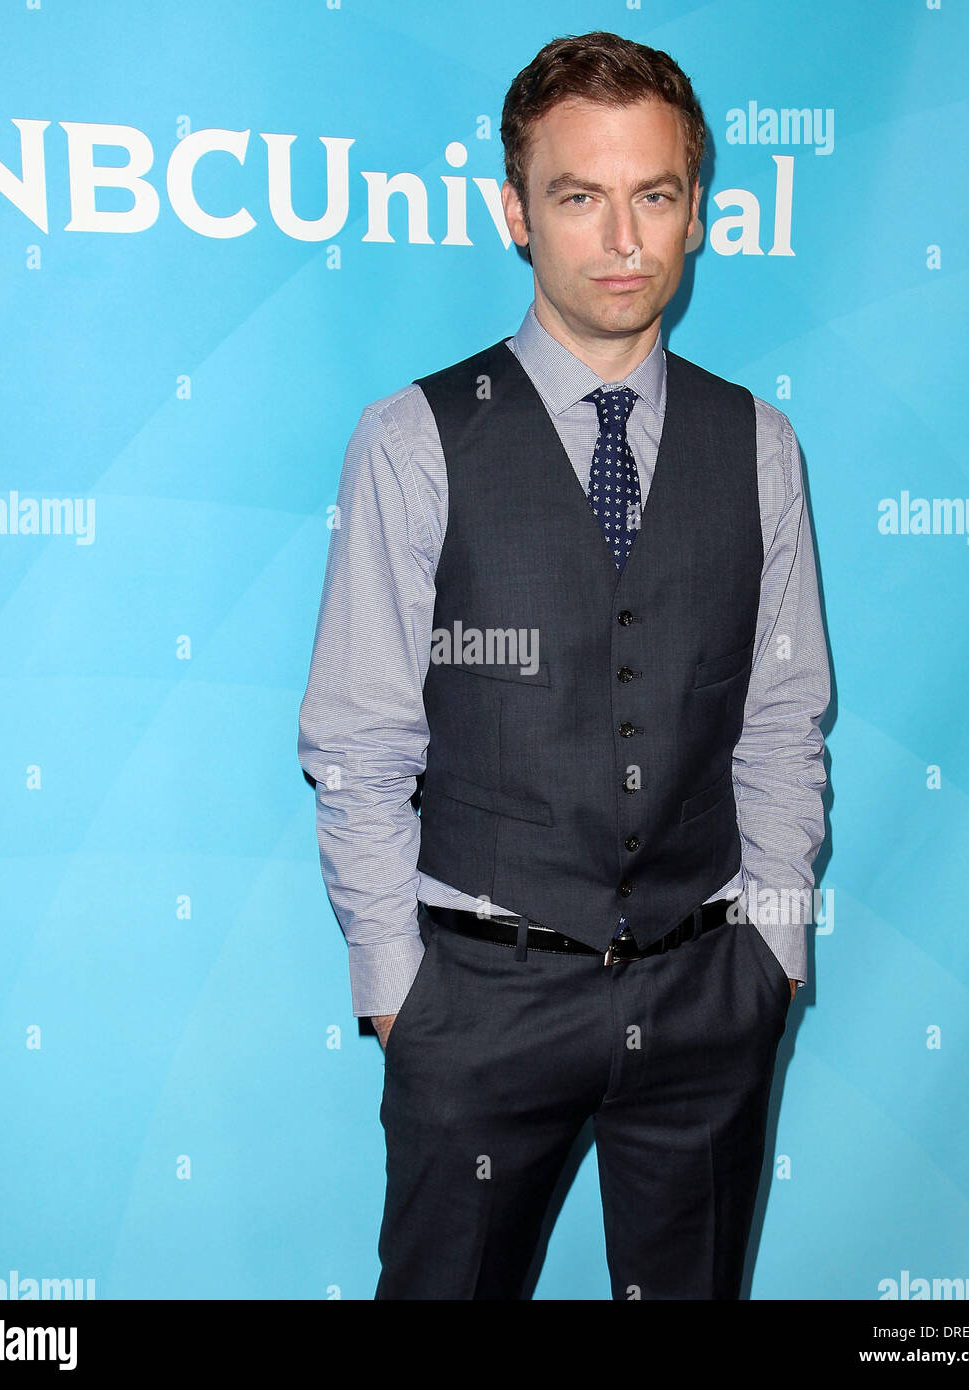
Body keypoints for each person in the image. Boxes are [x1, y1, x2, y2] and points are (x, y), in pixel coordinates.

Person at [298, 29, 830, 1300]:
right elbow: (360, 745)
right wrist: (403, 998)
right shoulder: (414, 440)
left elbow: (779, 719)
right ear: (514, 214)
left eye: (652, 195)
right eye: (577, 196)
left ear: (696, 212)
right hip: (479, 1001)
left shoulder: (756, 443)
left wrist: (772, 955)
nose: (621, 238)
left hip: (709, 991)